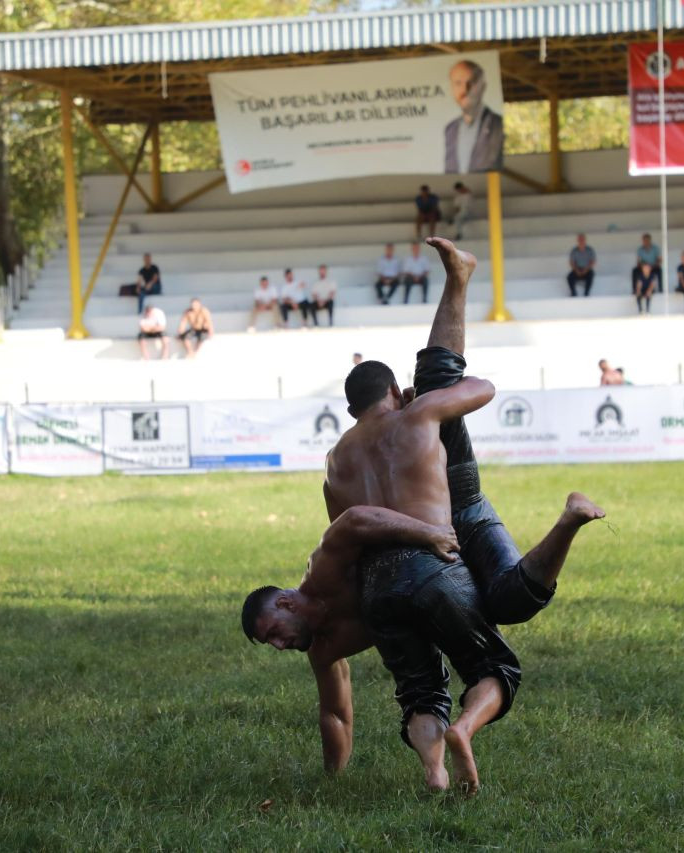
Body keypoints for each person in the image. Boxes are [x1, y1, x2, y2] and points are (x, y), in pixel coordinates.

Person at [247, 237, 604, 795]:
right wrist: (425, 408)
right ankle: (459, 280)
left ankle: (435, 772)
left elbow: (353, 525)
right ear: (392, 392)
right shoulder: (415, 416)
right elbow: (482, 390)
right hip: (443, 529)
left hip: (391, 577)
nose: (278, 645)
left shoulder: (334, 464)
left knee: (426, 685)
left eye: (273, 633)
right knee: (442, 380)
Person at [444, 59, 504, 173]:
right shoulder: (450, 129)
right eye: (458, 83)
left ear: (483, 86)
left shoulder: (498, 125)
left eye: (471, 82)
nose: (465, 89)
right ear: (451, 88)